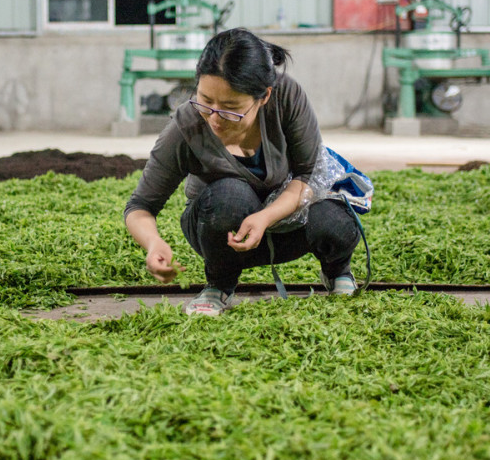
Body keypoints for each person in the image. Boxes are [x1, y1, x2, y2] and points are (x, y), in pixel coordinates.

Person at [123, 28, 360, 315]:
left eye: (231, 108)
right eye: (205, 101)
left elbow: (307, 175)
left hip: (285, 224)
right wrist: (153, 243)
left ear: (264, 97)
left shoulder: (286, 97)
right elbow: (140, 206)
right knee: (230, 195)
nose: (214, 117)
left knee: (336, 217)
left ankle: (337, 272)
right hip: (221, 233)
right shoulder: (186, 126)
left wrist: (265, 217)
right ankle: (219, 285)